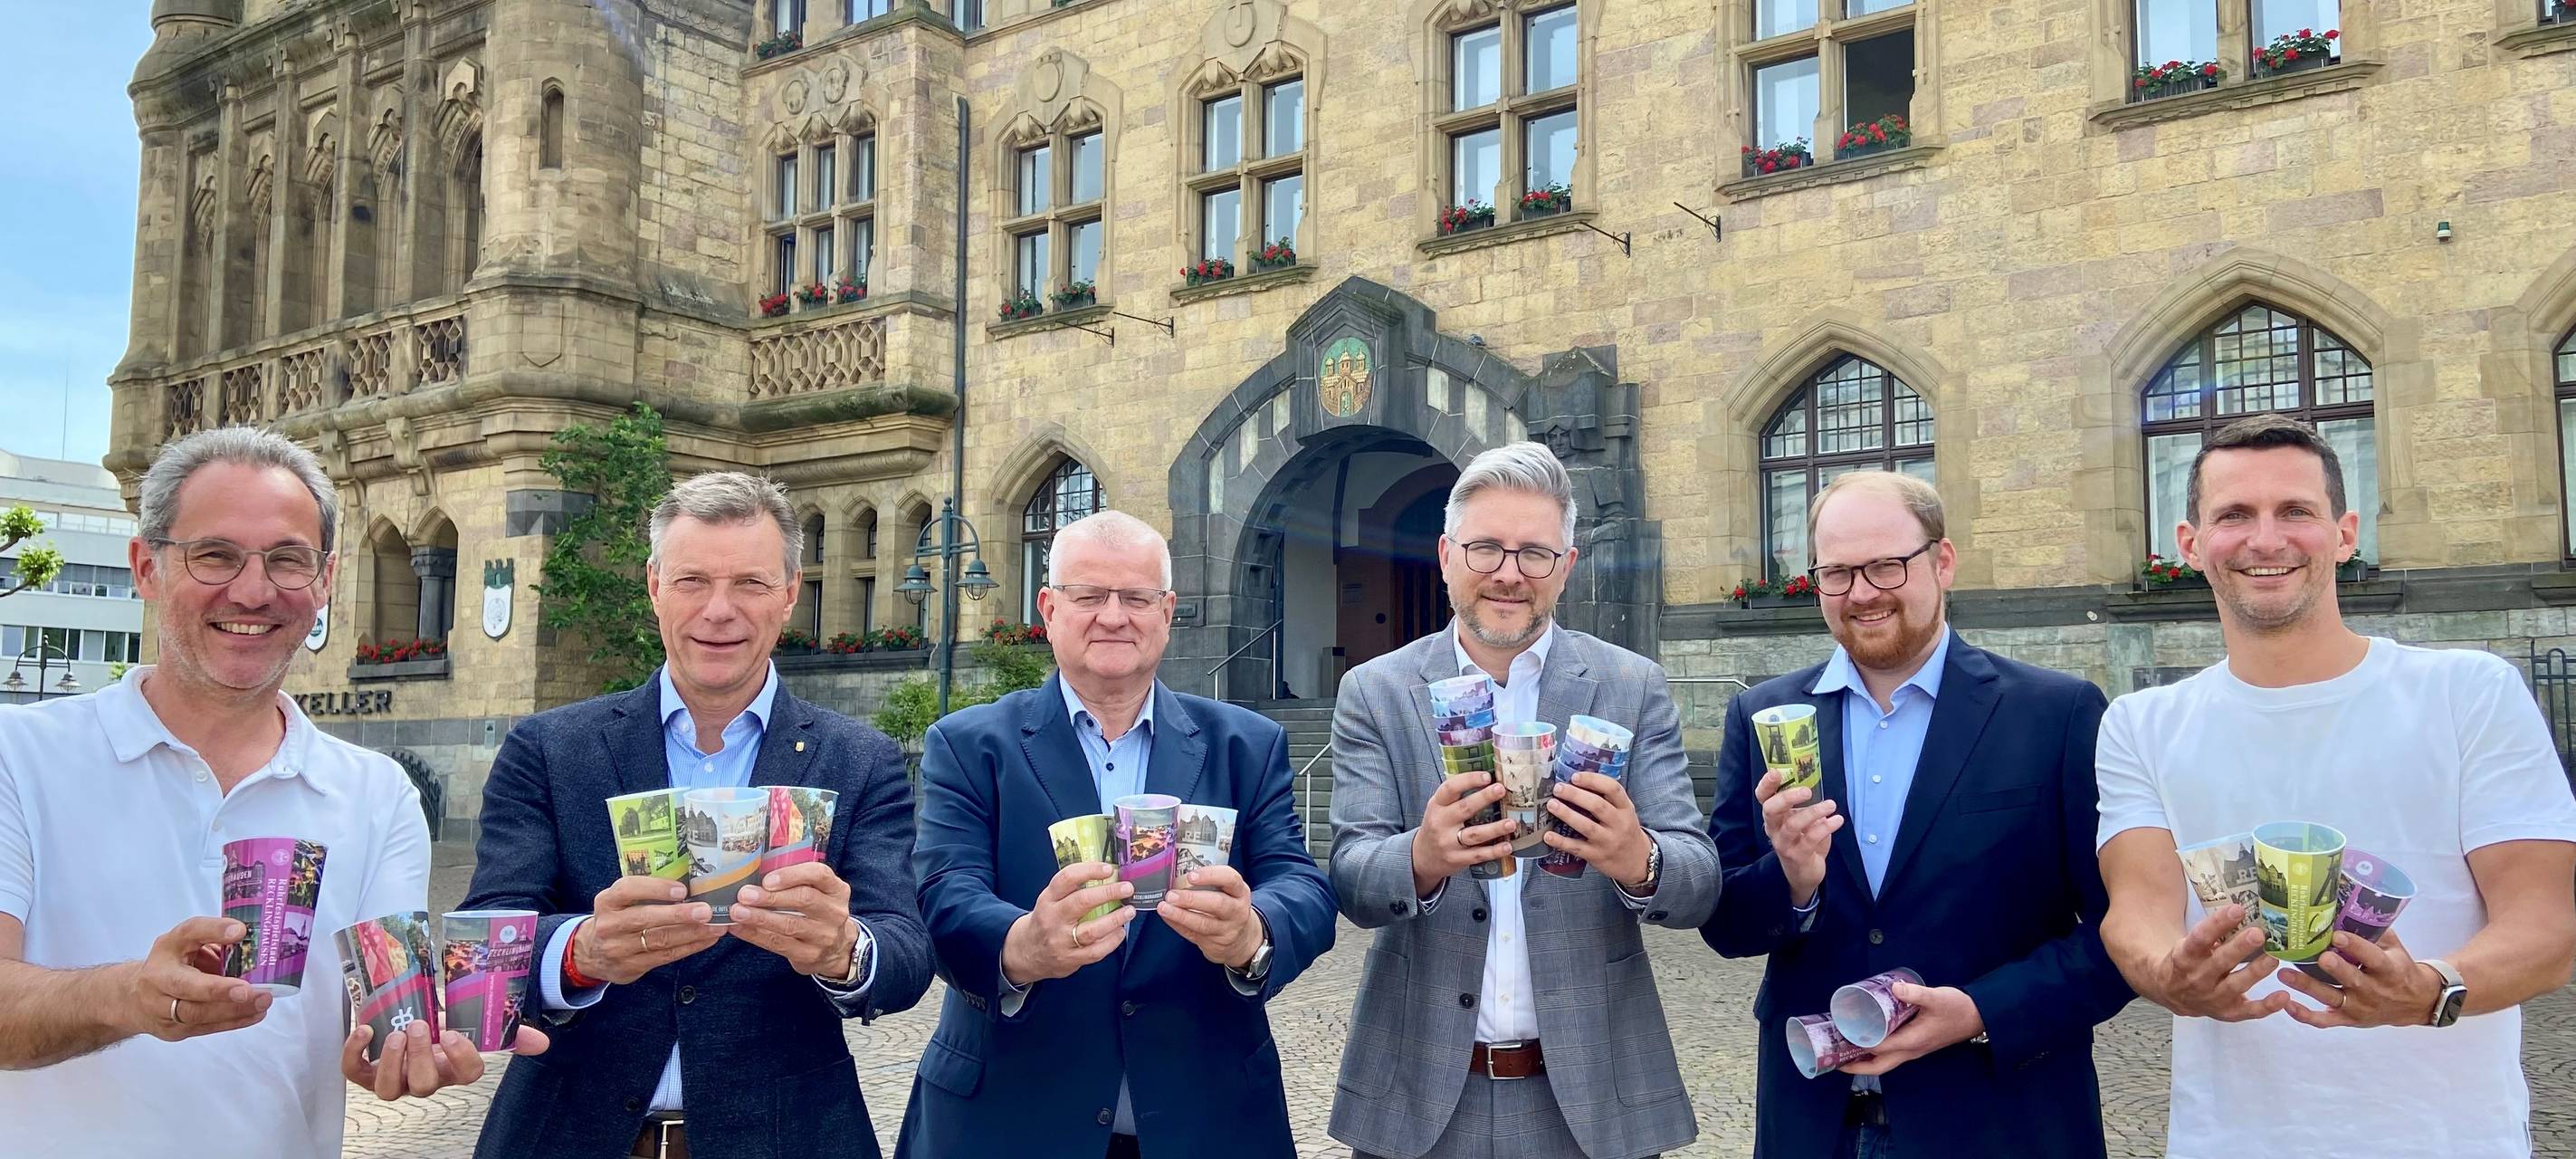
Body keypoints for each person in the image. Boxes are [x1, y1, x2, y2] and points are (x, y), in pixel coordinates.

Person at [0, 426, 541, 1156]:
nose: (253, 591)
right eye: (215, 555)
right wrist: (129, 995)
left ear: (325, 580)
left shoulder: (377, 793)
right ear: (147, 568)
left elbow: (388, 1005)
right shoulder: (18, 755)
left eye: (287, 560)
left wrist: (413, 1041)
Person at [2095, 414, 2576, 1159]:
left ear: (2345, 534)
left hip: (2448, 1139)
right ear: (2190, 545)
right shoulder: (2141, 724)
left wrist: (2433, 988)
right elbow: (2137, 911)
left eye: (2295, 511)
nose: (2266, 540)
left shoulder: (2468, 694)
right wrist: (2169, 975)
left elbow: (2548, 928)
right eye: (2234, 515)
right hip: (2230, 1139)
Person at [463, 471, 932, 1159]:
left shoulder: (859, 760)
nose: (719, 610)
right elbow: (479, 948)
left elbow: (907, 953)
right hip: (569, 1135)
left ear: (789, 594)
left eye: (750, 583)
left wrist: (845, 950)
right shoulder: (550, 749)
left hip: (786, 1140)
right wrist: (581, 953)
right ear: (655, 587)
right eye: (692, 581)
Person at [1702, 469, 2132, 1158]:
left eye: (1886, 566)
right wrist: (1793, 880)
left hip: (2001, 1123)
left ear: (1943, 562)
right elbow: (1726, 925)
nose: (1862, 593)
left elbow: (2125, 933)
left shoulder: (2056, 714)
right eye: (1837, 573)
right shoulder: (1764, 717)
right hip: (1815, 1126)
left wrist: (1982, 1011)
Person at [895, 510, 1335, 1159]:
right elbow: (942, 890)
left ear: (1167, 612)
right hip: (1011, 1121)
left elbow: (1301, 884)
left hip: (1207, 1121)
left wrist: (1254, 933)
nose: (1113, 616)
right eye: (1088, 596)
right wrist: (1021, 946)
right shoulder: (968, 745)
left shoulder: (1246, 744)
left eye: (1136, 597)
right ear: (1049, 609)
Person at [1327, 442, 1721, 1159]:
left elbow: (1698, 880)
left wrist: (1641, 860)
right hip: (1419, 1098)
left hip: (1594, 1099)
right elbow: (1352, 877)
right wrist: (1421, 858)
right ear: (1446, 556)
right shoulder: (1376, 692)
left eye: (1534, 553)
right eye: (1485, 548)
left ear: (1565, 567)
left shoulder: (1630, 686)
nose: (1508, 574)